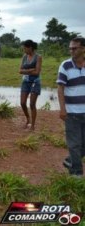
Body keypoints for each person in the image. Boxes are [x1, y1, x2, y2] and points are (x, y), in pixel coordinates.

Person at [57, 37, 85, 178]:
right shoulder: (65, 65)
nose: (71, 51)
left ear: (83, 49)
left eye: (74, 48)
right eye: (70, 48)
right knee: (74, 144)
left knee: (83, 145)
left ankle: (70, 161)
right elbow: (60, 88)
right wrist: (63, 109)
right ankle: (77, 174)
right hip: (72, 113)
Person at [19, 40, 42, 131]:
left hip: (35, 82)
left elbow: (37, 72)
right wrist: (30, 70)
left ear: (30, 48)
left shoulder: (38, 57)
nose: (24, 50)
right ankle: (28, 118)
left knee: (32, 104)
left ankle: (32, 125)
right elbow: (20, 71)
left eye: (25, 48)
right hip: (25, 82)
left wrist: (26, 71)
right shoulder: (24, 56)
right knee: (22, 103)